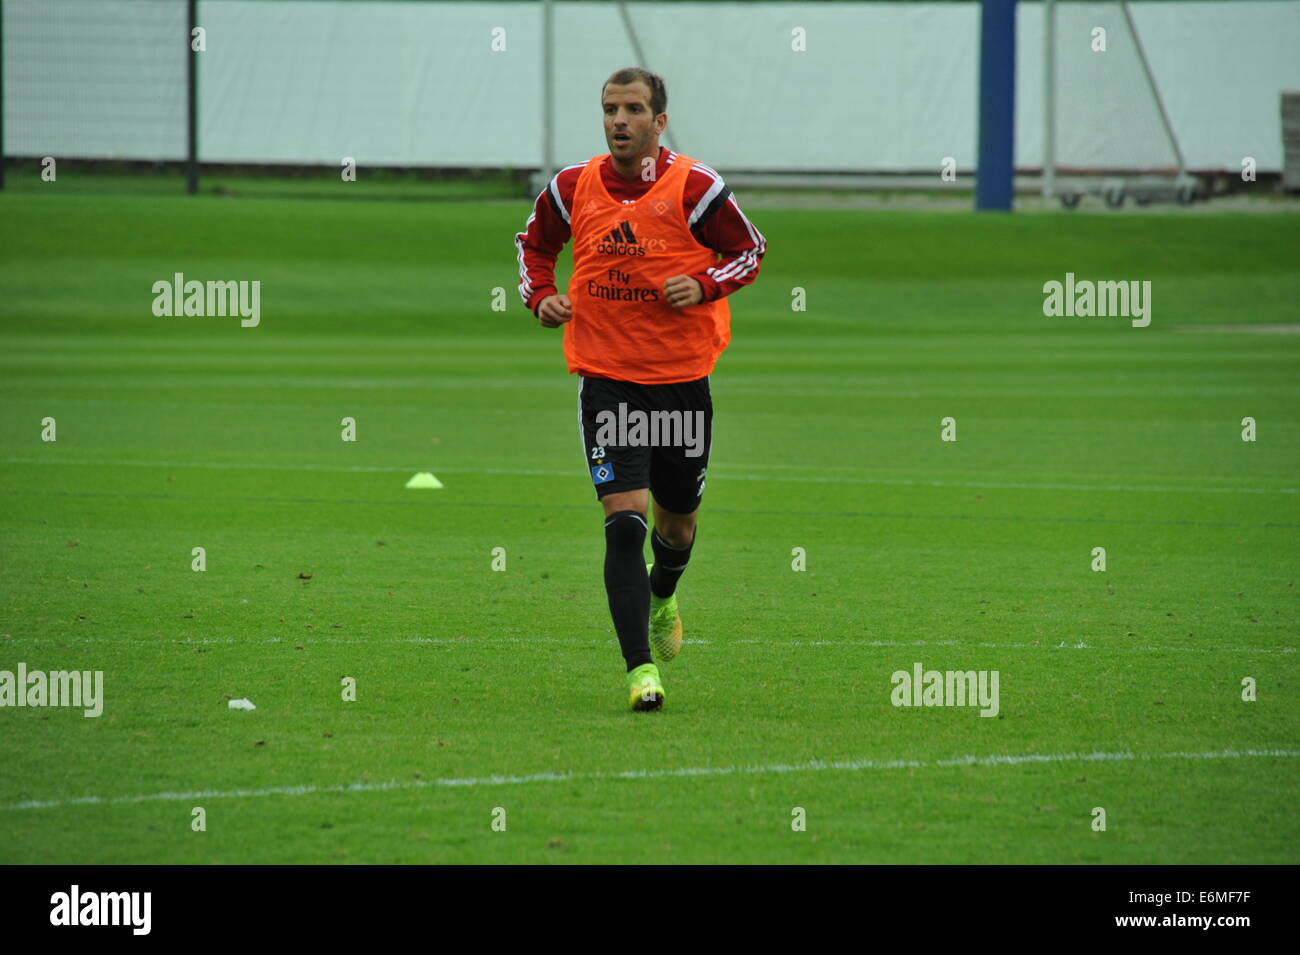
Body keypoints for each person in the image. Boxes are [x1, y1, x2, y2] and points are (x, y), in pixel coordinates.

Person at [514, 67, 766, 710]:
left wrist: (706, 285)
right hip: (607, 381)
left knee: (675, 526)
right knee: (624, 523)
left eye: (632, 109)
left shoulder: (697, 187)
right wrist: (540, 295)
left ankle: (664, 595)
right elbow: (533, 247)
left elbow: (750, 250)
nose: (618, 120)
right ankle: (640, 672)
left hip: (681, 382)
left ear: (660, 121)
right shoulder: (573, 186)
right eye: (609, 108)